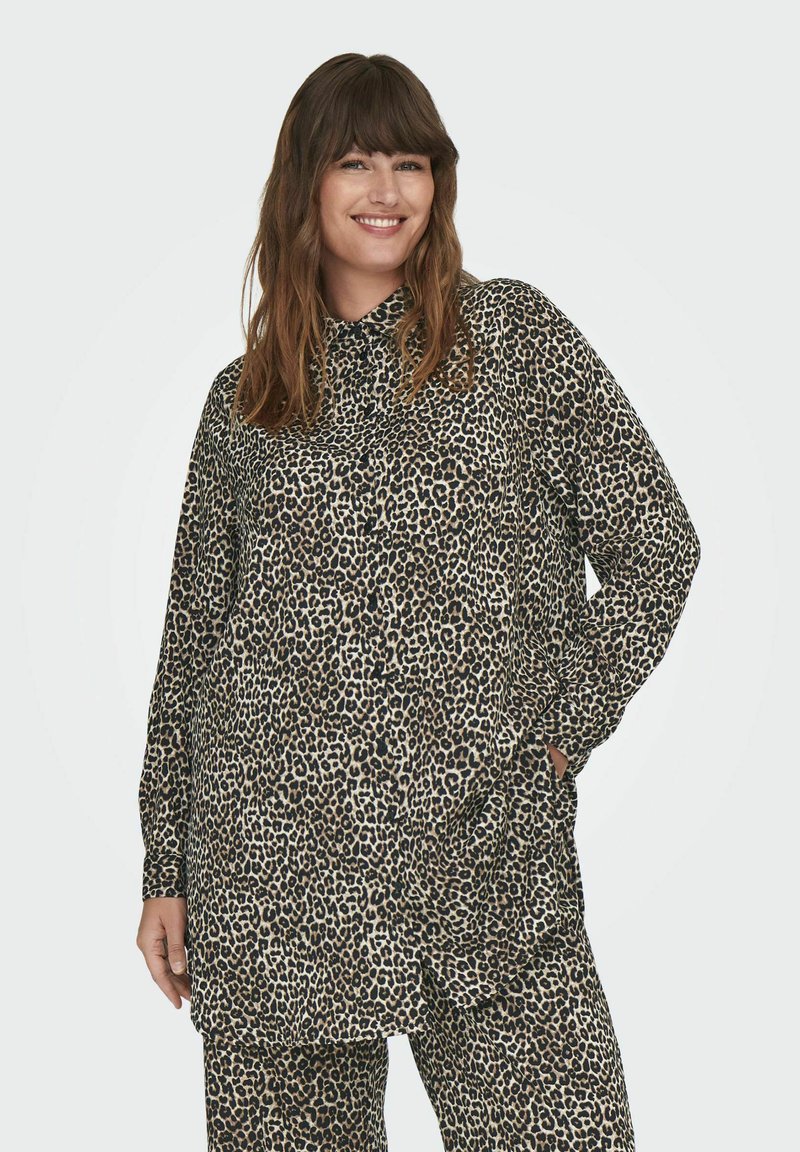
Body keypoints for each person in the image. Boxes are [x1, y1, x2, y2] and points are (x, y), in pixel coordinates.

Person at [136, 52, 701, 1151]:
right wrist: (166, 866)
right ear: (304, 182)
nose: (387, 190)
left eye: (411, 163)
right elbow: (194, 646)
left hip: (485, 864)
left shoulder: (515, 342)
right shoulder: (244, 401)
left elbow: (656, 546)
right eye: (354, 162)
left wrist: (557, 734)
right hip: (274, 873)